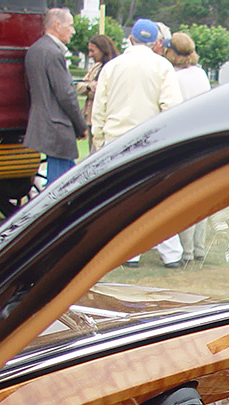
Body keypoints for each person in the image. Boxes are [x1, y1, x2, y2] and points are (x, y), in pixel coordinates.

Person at [93, 18, 184, 267]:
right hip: (150, 139)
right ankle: (171, 254)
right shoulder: (162, 66)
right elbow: (172, 107)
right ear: (156, 42)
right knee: (157, 197)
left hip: (117, 139)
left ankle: (130, 253)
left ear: (131, 39)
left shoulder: (112, 66)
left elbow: (99, 109)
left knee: (123, 198)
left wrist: (99, 139)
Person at [23, 7, 87, 186]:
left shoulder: (36, 49)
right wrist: (81, 125)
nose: (73, 31)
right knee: (60, 185)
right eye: (70, 26)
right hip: (57, 128)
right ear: (57, 26)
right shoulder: (53, 52)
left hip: (43, 123)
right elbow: (66, 95)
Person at [164, 31, 211, 262]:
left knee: (183, 199)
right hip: (203, 140)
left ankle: (187, 251)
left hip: (183, 142)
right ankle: (199, 248)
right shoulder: (200, 74)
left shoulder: (174, 77)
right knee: (200, 198)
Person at [77, 34, 118, 151]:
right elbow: (79, 86)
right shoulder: (95, 68)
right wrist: (90, 86)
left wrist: (97, 90)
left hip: (108, 120)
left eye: (92, 51)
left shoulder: (115, 67)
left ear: (103, 49)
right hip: (91, 118)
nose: (90, 55)